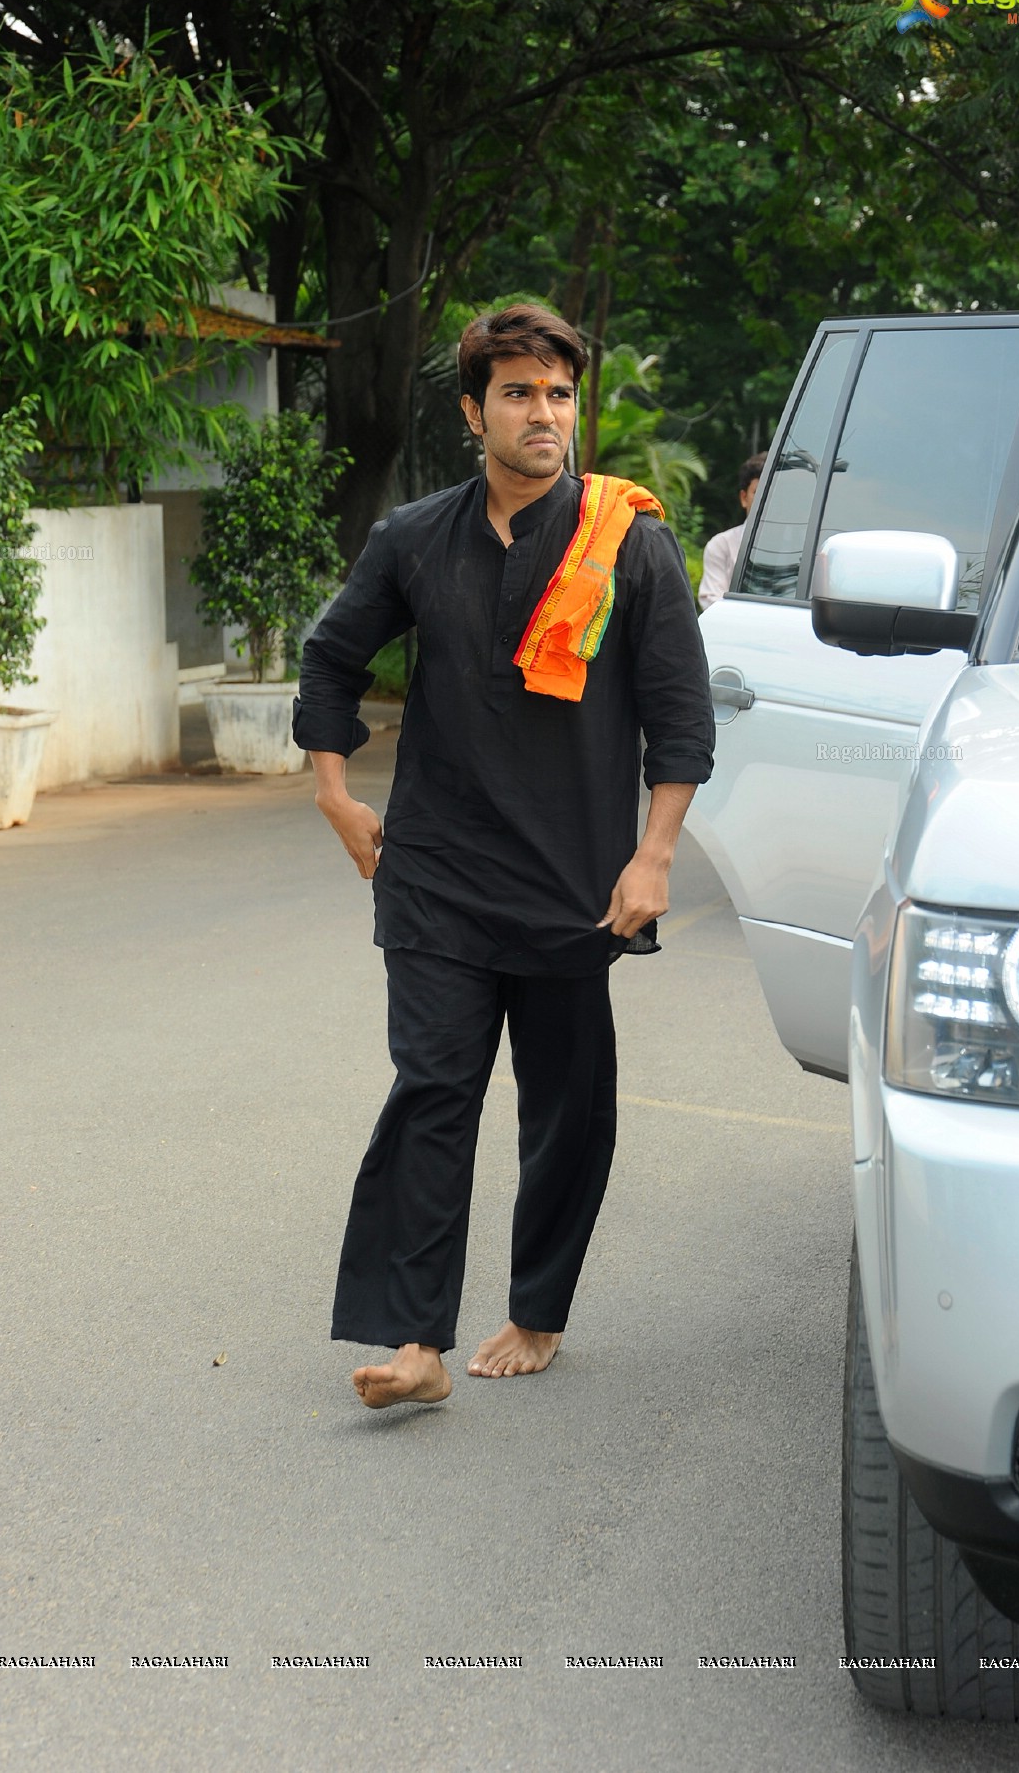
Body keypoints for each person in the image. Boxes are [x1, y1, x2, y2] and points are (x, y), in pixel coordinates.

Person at [292, 303, 715, 1410]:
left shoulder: (626, 540)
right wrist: (336, 793)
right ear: (474, 410)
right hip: (433, 871)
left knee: (565, 1105)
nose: (543, 413)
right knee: (432, 1086)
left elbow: (680, 718)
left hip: (575, 882)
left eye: (558, 393)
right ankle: (412, 1338)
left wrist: (653, 852)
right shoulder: (415, 537)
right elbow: (332, 659)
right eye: (519, 392)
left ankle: (536, 1308)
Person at [697, 452, 766, 610]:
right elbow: (711, 601)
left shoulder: (803, 548)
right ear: (744, 498)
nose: (766, 500)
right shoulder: (721, 545)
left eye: (773, 493)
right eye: (759, 492)